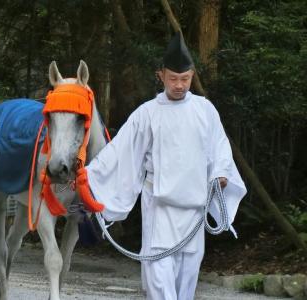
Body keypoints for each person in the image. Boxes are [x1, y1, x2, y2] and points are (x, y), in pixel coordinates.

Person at [84, 31, 247, 300]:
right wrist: (89, 176)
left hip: (195, 205)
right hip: (159, 206)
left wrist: (220, 172)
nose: (180, 85)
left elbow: (220, 147)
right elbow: (120, 151)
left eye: (185, 79)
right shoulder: (147, 113)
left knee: (188, 274)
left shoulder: (205, 110)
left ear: (192, 76)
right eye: (173, 79)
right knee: (159, 275)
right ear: (161, 76)